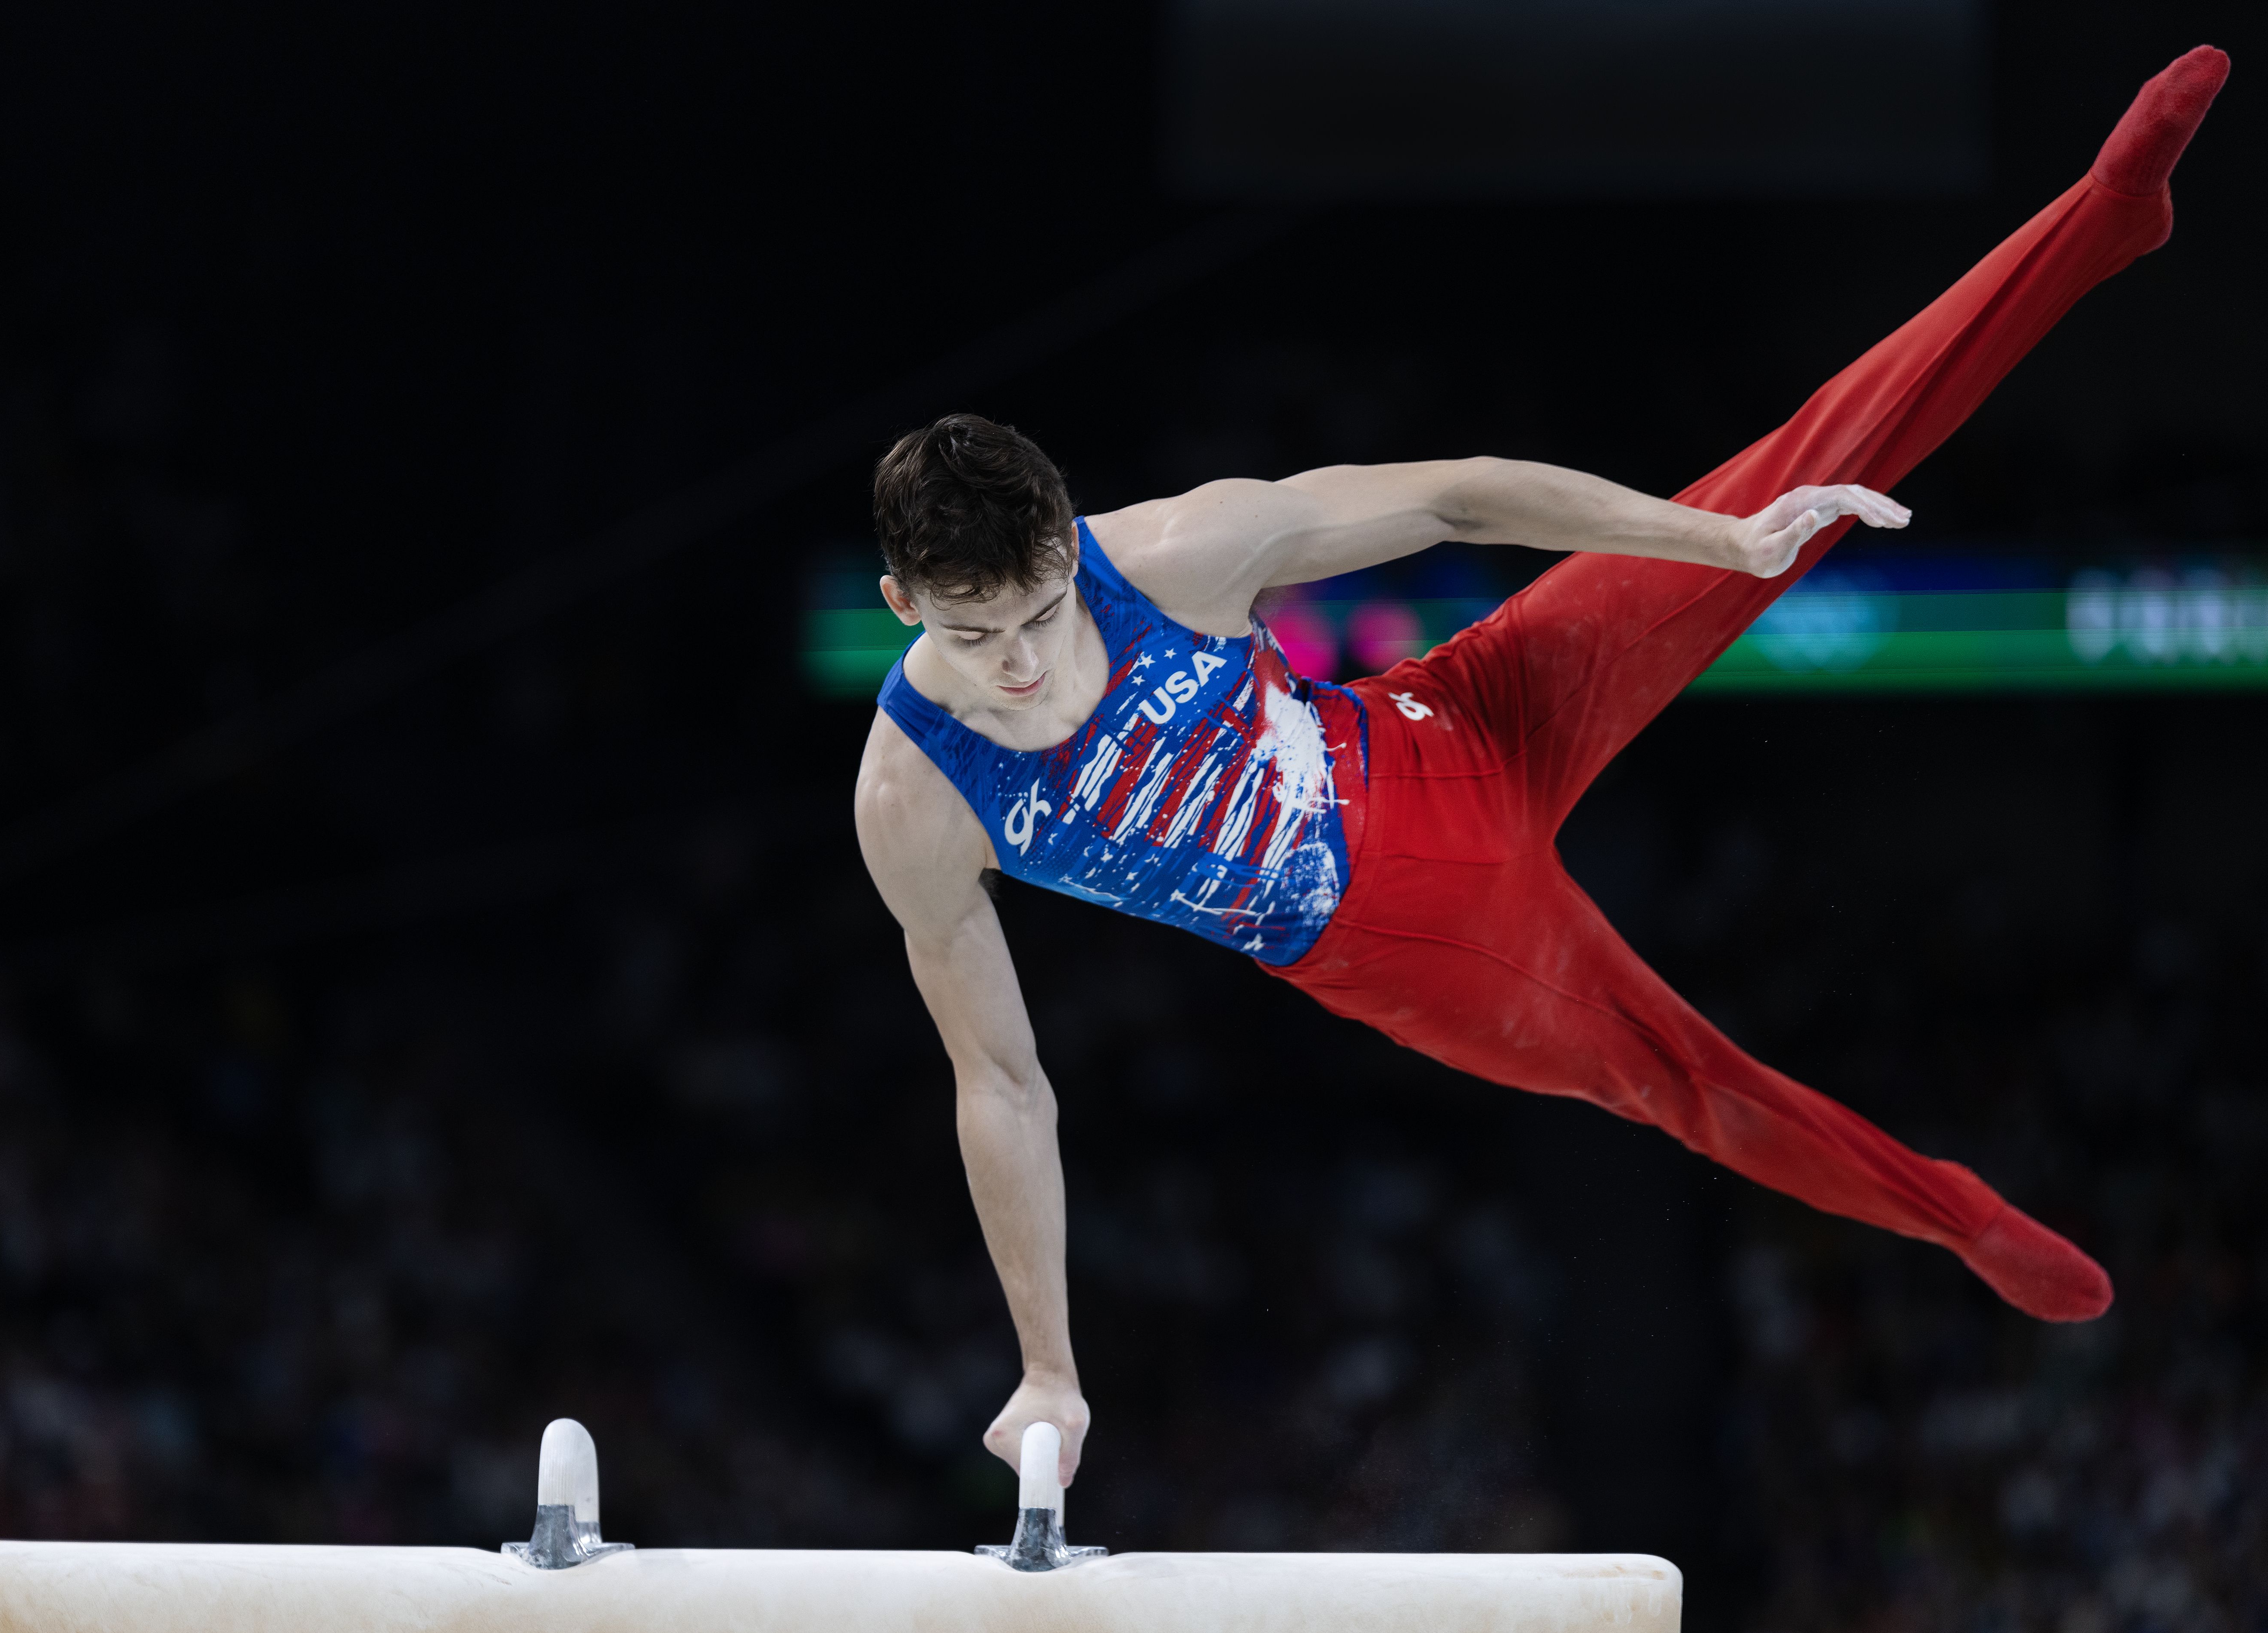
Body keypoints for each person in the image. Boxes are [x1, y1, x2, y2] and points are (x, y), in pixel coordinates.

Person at [852, 49, 2230, 1486]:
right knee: (1683, 1078)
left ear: (1070, 541)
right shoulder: (918, 798)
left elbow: (1454, 499)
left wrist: (1730, 548)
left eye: (1038, 609)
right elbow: (1001, 1084)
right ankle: (1959, 1218)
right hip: (1418, 931)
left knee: (1774, 477)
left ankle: (2100, 217)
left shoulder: (1183, 553)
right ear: (904, 605)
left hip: (1449, 719)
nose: (1017, 657)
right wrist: (1050, 1372)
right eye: (972, 629)